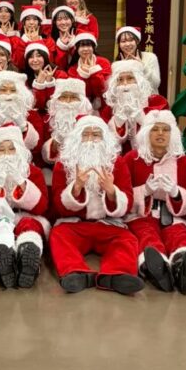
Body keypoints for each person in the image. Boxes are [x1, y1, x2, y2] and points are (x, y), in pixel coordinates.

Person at [49, 115, 142, 295]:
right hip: (75, 225)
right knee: (58, 235)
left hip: (108, 224)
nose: (91, 139)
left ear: (105, 138)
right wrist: (76, 188)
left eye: (96, 134)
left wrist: (111, 191)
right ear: (77, 138)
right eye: (86, 134)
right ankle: (75, 272)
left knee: (127, 239)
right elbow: (59, 206)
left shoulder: (117, 163)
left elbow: (128, 200)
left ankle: (116, 274)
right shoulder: (63, 164)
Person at [126, 111, 186, 294]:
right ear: (146, 133)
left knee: (180, 234)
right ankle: (156, 267)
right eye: (155, 129)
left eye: (166, 129)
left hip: (173, 215)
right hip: (142, 214)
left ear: (173, 134)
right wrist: (144, 191)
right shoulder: (132, 159)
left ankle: (182, 265)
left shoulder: (185, 163)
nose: (160, 133)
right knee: (146, 234)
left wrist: (177, 194)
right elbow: (124, 194)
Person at [0, 124, 48, 289]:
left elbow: (41, 207)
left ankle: (27, 256)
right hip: (0, 220)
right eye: (1, 150)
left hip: (27, 217)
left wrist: (20, 181)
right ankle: (5, 263)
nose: (6, 154)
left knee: (30, 226)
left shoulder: (34, 172)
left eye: (11, 149)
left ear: (19, 151)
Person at [100, 59, 169, 150]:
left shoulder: (157, 102)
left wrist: (141, 118)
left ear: (139, 81)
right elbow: (107, 140)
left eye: (130, 78)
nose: (125, 84)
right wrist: (118, 122)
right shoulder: (109, 108)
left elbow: (163, 132)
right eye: (120, 80)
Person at [0, 70, 43, 154]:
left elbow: (38, 147)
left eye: (13, 90)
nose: (8, 94)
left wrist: (24, 126)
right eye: (3, 90)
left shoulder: (32, 114)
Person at [41, 78, 93, 165]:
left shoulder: (89, 122)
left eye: (73, 98)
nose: (68, 101)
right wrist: (53, 145)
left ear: (82, 101)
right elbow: (40, 153)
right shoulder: (48, 120)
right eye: (63, 97)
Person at [66, 33, 111, 107]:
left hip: (104, 104)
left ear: (93, 48)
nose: (86, 49)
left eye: (89, 45)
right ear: (77, 49)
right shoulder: (72, 69)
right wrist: (83, 74)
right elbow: (78, 92)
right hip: (81, 106)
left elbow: (103, 89)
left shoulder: (104, 62)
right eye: (82, 46)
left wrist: (94, 71)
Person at [114, 26, 160, 93]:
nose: (127, 44)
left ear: (137, 41)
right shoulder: (117, 64)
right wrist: (123, 67)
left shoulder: (150, 57)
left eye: (131, 40)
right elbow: (115, 89)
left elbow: (155, 84)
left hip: (149, 98)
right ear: (119, 44)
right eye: (123, 41)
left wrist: (142, 66)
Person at [21, 41, 63, 112]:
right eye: (31, 57)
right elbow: (36, 107)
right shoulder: (24, 79)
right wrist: (38, 85)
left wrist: (49, 83)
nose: (35, 60)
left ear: (45, 57)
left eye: (39, 56)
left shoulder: (59, 75)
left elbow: (57, 103)